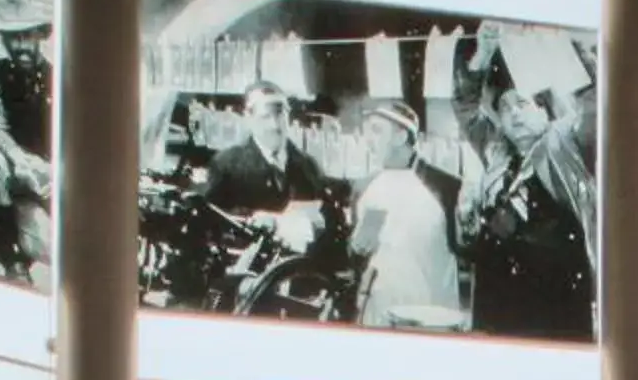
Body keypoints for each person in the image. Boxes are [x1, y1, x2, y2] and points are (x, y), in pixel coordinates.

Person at [461, 87, 597, 341]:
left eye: (522, 103)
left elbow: (595, 107)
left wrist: (581, 57)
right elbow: (465, 105)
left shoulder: (566, 147)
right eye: (504, 107)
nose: (514, 114)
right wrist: (477, 59)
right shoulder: (496, 152)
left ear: (546, 108)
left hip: (553, 312)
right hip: (496, 310)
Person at [350, 100, 461, 328]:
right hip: (378, 314)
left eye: (377, 130)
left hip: (432, 316)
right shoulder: (366, 186)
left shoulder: (446, 187)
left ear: (401, 136)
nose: (368, 140)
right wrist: (357, 246)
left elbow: (464, 247)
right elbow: (360, 253)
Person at [0, 10, 54, 276]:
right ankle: (10, 255)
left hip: (48, 172)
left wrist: (49, 169)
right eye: (12, 38)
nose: (19, 46)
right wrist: (18, 158)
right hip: (15, 166)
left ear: (40, 37)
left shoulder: (57, 79)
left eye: (26, 37)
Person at [202, 80, 326, 213]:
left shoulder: (309, 167)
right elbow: (212, 222)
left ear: (288, 115)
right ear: (248, 118)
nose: (274, 125)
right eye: (265, 116)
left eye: (280, 115)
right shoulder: (226, 166)